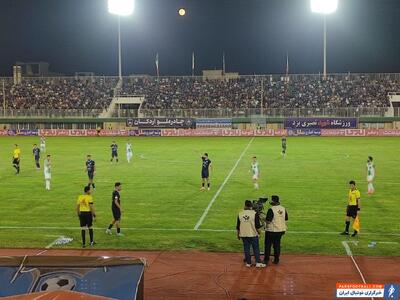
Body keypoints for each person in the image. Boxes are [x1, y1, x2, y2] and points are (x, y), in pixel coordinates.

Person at [236, 200, 266, 268]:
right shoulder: (254, 213)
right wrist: (260, 233)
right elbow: (257, 226)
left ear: (245, 205)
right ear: (251, 206)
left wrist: (238, 235)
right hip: (253, 234)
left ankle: (248, 263)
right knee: (256, 248)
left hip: (243, 234)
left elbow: (238, 226)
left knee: (246, 249)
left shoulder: (240, 213)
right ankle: (258, 262)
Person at [264, 195, 288, 265]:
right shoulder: (283, 208)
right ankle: (276, 260)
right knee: (277, 245)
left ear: (273, 201)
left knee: (268, 245)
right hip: (281, 230)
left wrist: (263, 219)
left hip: (271, 230)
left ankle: (266, 260)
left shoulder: (271, 209)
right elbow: (286, 218)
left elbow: (268, 221)